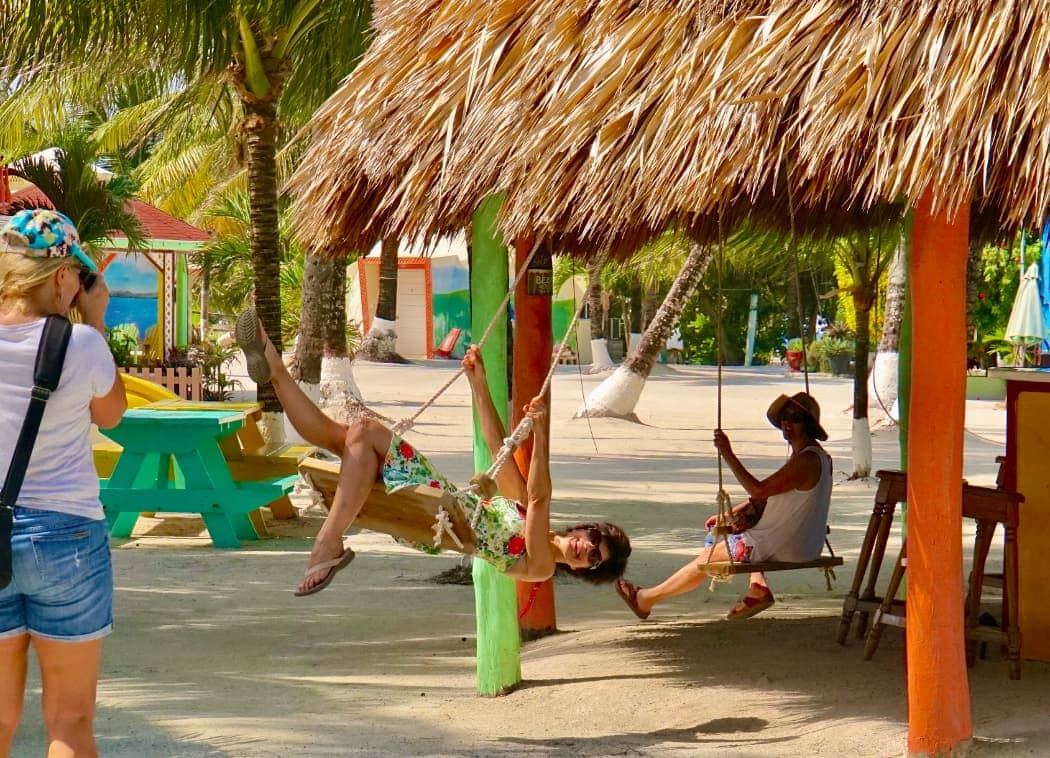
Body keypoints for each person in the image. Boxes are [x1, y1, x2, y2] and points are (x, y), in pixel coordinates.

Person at [234, 311, 631, 596]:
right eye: (593, 538)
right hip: (439, 503)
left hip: (439, 516)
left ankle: (327, 544)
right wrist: (479, 384)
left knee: (365, 431)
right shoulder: (522, 513)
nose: (586, 548)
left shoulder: (541, 567)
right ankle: (273, 367)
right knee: (346, 437)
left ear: (584, 570)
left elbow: (541, 496)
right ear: (585, 528)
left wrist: (541, 432)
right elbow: (499, 449)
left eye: (594, 558)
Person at [0, 209, 127, 757]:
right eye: (78, 274)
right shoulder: (81, 345)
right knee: (69, 723)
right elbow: (112, 414)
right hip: (67, 539)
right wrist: (94, 320)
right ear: (59, 276)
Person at [616, 392, 832, 621]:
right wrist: (732, 513)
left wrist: (727, 453)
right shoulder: (817, 457)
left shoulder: (806, 461)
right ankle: (758, 586)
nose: (787, 423)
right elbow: (770, 497)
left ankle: (646, 599)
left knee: (709, 556)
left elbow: (759, 490)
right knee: (737, 535)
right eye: (784, 417)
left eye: (795, 417)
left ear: (808, 424)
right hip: (806, 544)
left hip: (788, 547)